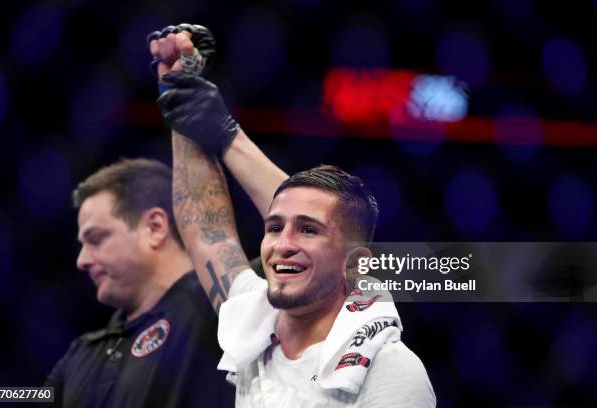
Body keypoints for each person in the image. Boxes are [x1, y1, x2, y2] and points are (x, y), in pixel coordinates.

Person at [150, 26, 436, 407]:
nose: (283, 245)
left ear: (355, 265)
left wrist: (228, 134)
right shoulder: (254, 324)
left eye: (308, 230)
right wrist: (181, 94)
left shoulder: (389, 371)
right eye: (274, 228)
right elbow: (207, 227)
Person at [44, 158, 238, 407]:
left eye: (95, 239)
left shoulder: (220, 309)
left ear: (154, 228)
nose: (81, 261)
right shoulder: (84, 352)